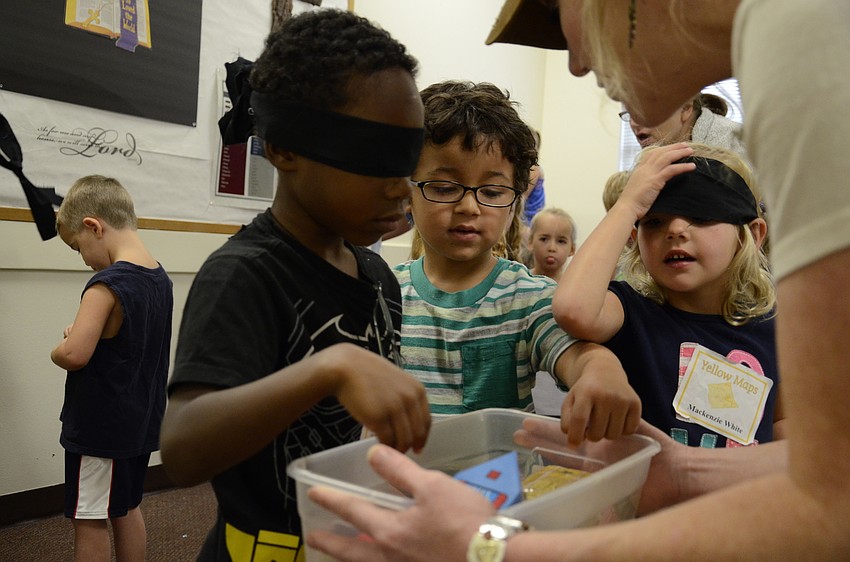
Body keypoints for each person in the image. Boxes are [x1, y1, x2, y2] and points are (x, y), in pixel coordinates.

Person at [305, 0, 850, 560]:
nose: (576, 65)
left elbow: (830, 498)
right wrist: (681, 468)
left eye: (558, 15)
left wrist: (485, 549)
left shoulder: (805, 33)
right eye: (653, 222)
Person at [158, 10, 432, 562]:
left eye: (407, 161)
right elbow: (182, 449)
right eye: (374, 158)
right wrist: (331, 367)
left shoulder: (378, 278)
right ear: (283, 148)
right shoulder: (244, 274)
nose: (400, 187)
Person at [396, 80, 639, 428]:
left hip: (503, 478)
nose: (469, 206)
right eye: (445, 188)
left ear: (514, 204)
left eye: (493, 192)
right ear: (408, 193)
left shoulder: (527, 297)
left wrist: (603, 373)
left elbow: (579, 355)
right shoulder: (386, 295)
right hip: (403, 476)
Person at [555, 142, 784, 447]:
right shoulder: (631, 312)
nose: (675, 229)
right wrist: (628, 205)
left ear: (751, 236)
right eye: (654, 221)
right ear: (635, 238)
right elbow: (573, 309)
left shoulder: (778, 329)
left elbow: (783, 424)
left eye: (702, 216)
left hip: (742, 492)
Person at [50, 175, 173, 562]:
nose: (84, 258)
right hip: (140, 423)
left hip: (101, 428)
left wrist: (61, 346)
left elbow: (74, 355)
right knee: (125, 507)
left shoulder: (105, 285)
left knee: (88, 517)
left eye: (78, 247)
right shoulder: (160, 278)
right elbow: (127, 341)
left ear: (93, 226)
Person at [620, 92, 747, 159]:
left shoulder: (736, 144)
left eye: (643, 112)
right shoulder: (652, 162)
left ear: (685, 109)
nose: (634, 123)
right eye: (630, 114)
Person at [525, 207, 577, 281]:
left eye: (561, 241)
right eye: (544, 239)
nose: (552, 248)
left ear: (572, 249)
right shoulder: (519, 282)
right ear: (530, 242)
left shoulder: (574, 287)